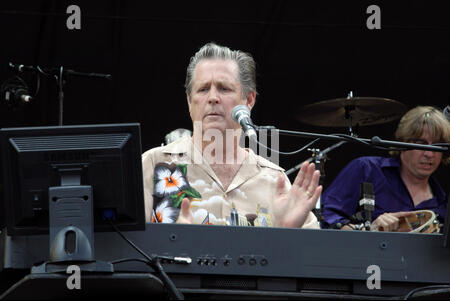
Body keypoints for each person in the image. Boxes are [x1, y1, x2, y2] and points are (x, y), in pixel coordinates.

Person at [141, 42, 322, 228]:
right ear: (189, 100)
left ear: (249, 100)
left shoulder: (275, 180)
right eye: (203, 89)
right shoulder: (153, 164)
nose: (212, 97)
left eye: (224, 89)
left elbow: (314, 254)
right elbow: (120, 249)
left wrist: (288, 231)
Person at [321, 106, 450, 231]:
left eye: (438, 146)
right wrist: (367, 230)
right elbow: (325, 218)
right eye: (421, 144)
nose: (429, 154)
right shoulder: (367, 169)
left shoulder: (442, 202)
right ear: (402, 142)